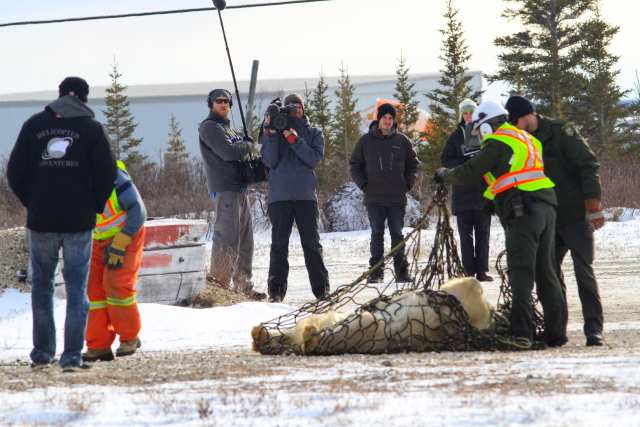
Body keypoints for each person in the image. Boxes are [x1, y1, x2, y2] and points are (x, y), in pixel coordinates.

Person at [434, 101, 568, 348]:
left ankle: (522, 334)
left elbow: (470, 171)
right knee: (547, 271)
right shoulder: (526, 138)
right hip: (547, 208)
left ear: (486, 125)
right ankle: (556, 331)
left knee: (520, 272)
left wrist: (444, 174)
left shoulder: (496, 142)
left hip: (523, 212)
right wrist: (490, 199)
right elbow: (512, 173)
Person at [7, 77, 117, 371]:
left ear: (59, 96)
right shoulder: (92, 129)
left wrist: (33, 202)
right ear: (83, 98)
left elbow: (15, 171)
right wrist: (92, 206)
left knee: (42, 287)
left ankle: (42, 354)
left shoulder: (34, 125)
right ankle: (71, 357)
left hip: (42, 220)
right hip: (79, 222)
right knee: (77, 289)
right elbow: (107, 173)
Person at [505, 95, 605, 347]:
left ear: (527, 115)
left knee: (584, 270)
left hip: (573, 214)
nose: (515, 127)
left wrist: (593, 206)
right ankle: (557, 328)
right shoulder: (521, 139)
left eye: (516, 121)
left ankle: (593, 329)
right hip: (547, 218)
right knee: (549, 275)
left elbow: (588, 164)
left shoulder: (561, 132)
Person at [261, 93, 330, 302]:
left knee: (312, 245)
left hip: (305, 198)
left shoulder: (314, 133)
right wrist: (271, 133)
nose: (295, 109)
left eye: (298, 105)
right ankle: (275, 293)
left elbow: (313, 159)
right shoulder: (275, 133)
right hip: (280, 198)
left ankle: (322, 291)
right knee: (279, 246)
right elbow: (269, 161)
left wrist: (294, 139)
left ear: (303, 109)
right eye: (291, 106)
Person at [82, 161, 147, 362]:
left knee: (116, 283)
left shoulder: (112, 174)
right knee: (94, 290)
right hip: (96, 239)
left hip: (126, 234)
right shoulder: (71, 179)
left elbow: (139, 212)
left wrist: (121, 240)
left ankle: (129, 338)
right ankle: (99, 345)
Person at [350, 103, 419, 283]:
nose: (387, 121)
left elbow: (413, 164)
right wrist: (365, 185)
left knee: (397, 234)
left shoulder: (403, 141)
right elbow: (354, 165)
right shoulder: (365, 141)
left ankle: (401, 272)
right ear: (378, 119)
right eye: (384, 118)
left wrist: (408, 184)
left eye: (390, 118)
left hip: (397, 197)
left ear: (394, 121)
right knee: (377, 235)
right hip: (374, 197)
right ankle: (376, 272)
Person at [199, 89, 254, 293]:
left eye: (227, 102)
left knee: (245, 243)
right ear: (211, 104)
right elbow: (229, 152)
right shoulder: (210, 127)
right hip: (226, 190)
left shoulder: (226, 128)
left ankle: (243, 288)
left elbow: (236, 152)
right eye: (219, 101)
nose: (224, 105)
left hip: (239, 189)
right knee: (226, 241)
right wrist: (247, 145)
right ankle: (219, 289)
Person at [441, 99, 493, 282]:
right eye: (466, 113)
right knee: (465, 236)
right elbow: (446, 161)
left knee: (483, 234)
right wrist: (465, 164)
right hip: (462, 193)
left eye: (472, 112)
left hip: (484, 192)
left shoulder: (485, 134)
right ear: (461, 115)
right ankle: (469, 272)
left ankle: (482, 271)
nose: (469, 116)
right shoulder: (455, 137)